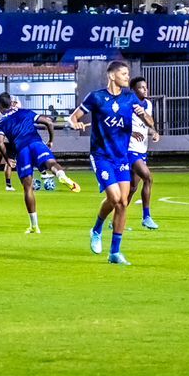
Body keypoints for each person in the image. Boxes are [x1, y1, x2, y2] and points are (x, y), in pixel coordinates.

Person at [70, 61, 151, 265]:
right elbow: (73, 117)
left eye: (127, 73)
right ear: (112, 76)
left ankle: (114, 252)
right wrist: (75, 123)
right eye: (123, 73)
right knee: (115, 198)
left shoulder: (130, 98)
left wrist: (144, 115)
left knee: (122, 203)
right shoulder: (96, 97)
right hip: (101, 156)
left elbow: (150, 122)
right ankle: (97, 229)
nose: (127, 76)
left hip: (122, 157)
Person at [0, 92, 80, 233]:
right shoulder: (26, 112)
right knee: (51, 163)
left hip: (22, 150)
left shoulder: (1, 123)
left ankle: (34, 226)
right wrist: (51, 140)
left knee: (28, 188)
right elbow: (48, 122)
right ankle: (61, 175)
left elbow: (0, 144)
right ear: (11, 102)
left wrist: (8, 159)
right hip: (36, 143)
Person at [126, 75, 160, 229]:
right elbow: (117, 124)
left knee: (133, 187)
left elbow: (149, 122)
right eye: (141, 87)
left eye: (146, 87)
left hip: (142, 149)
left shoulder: (148, 104)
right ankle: (146, 217)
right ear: (133, 90)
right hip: (130, 149)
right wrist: (130, 133)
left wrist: (153, 132)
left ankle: (117, 219)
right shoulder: (126, 103)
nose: (145, 90)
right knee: (148, 178)